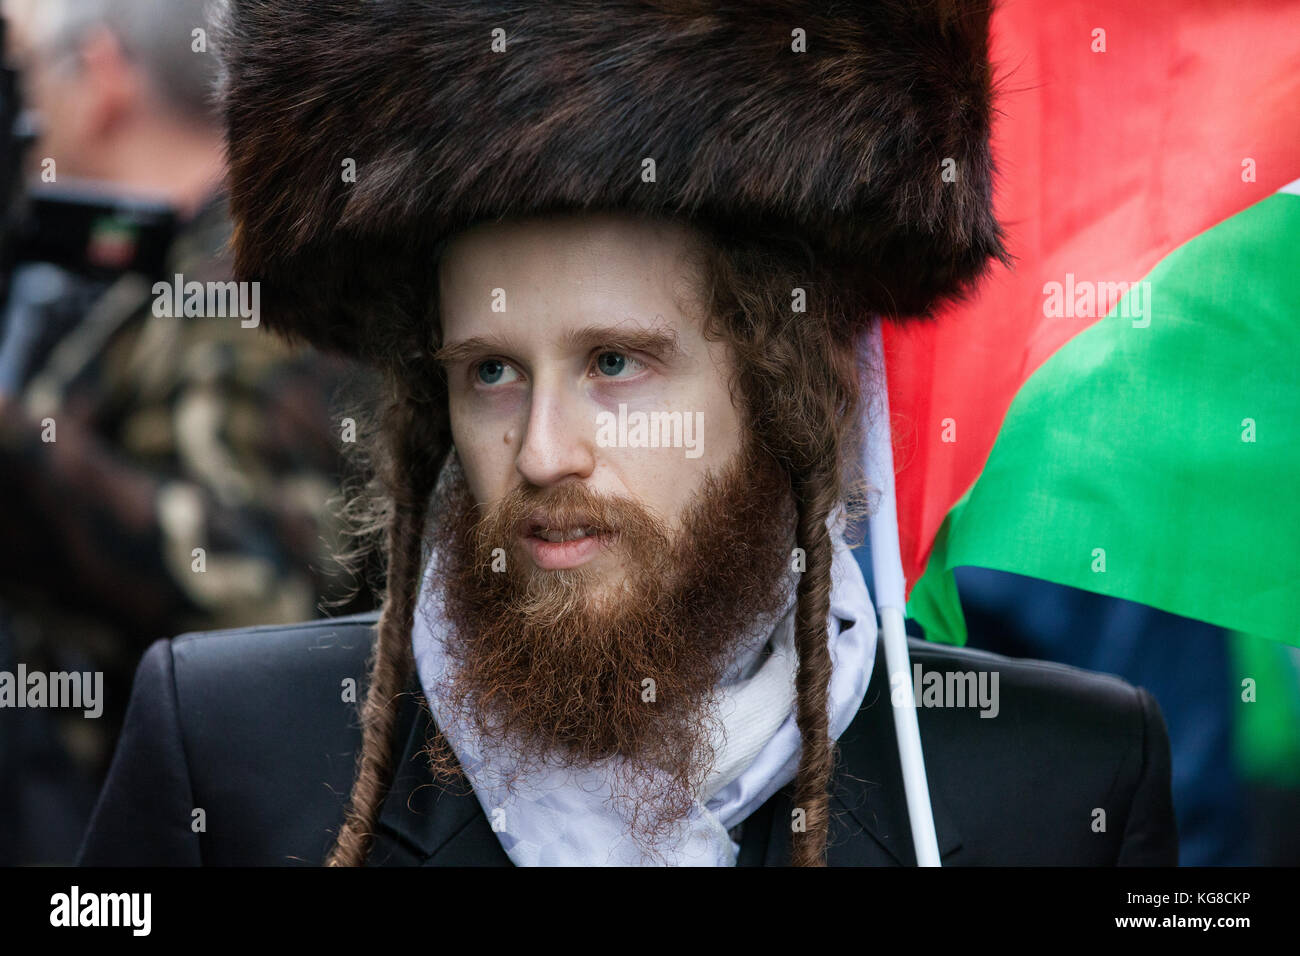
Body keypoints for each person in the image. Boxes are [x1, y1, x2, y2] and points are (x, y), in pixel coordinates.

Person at [77, 0, 1178, 867]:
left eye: (614, 362)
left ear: (779, 382)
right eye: (493, 372)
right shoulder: (227, 748)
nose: (545, 450)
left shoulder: (1054, 786)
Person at [0, 0, 370, 863]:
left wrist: (21, 455)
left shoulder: (247, 279)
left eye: (42, 82)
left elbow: (258, 598)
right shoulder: (161, 256)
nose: (32, 120)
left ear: (104, 77)